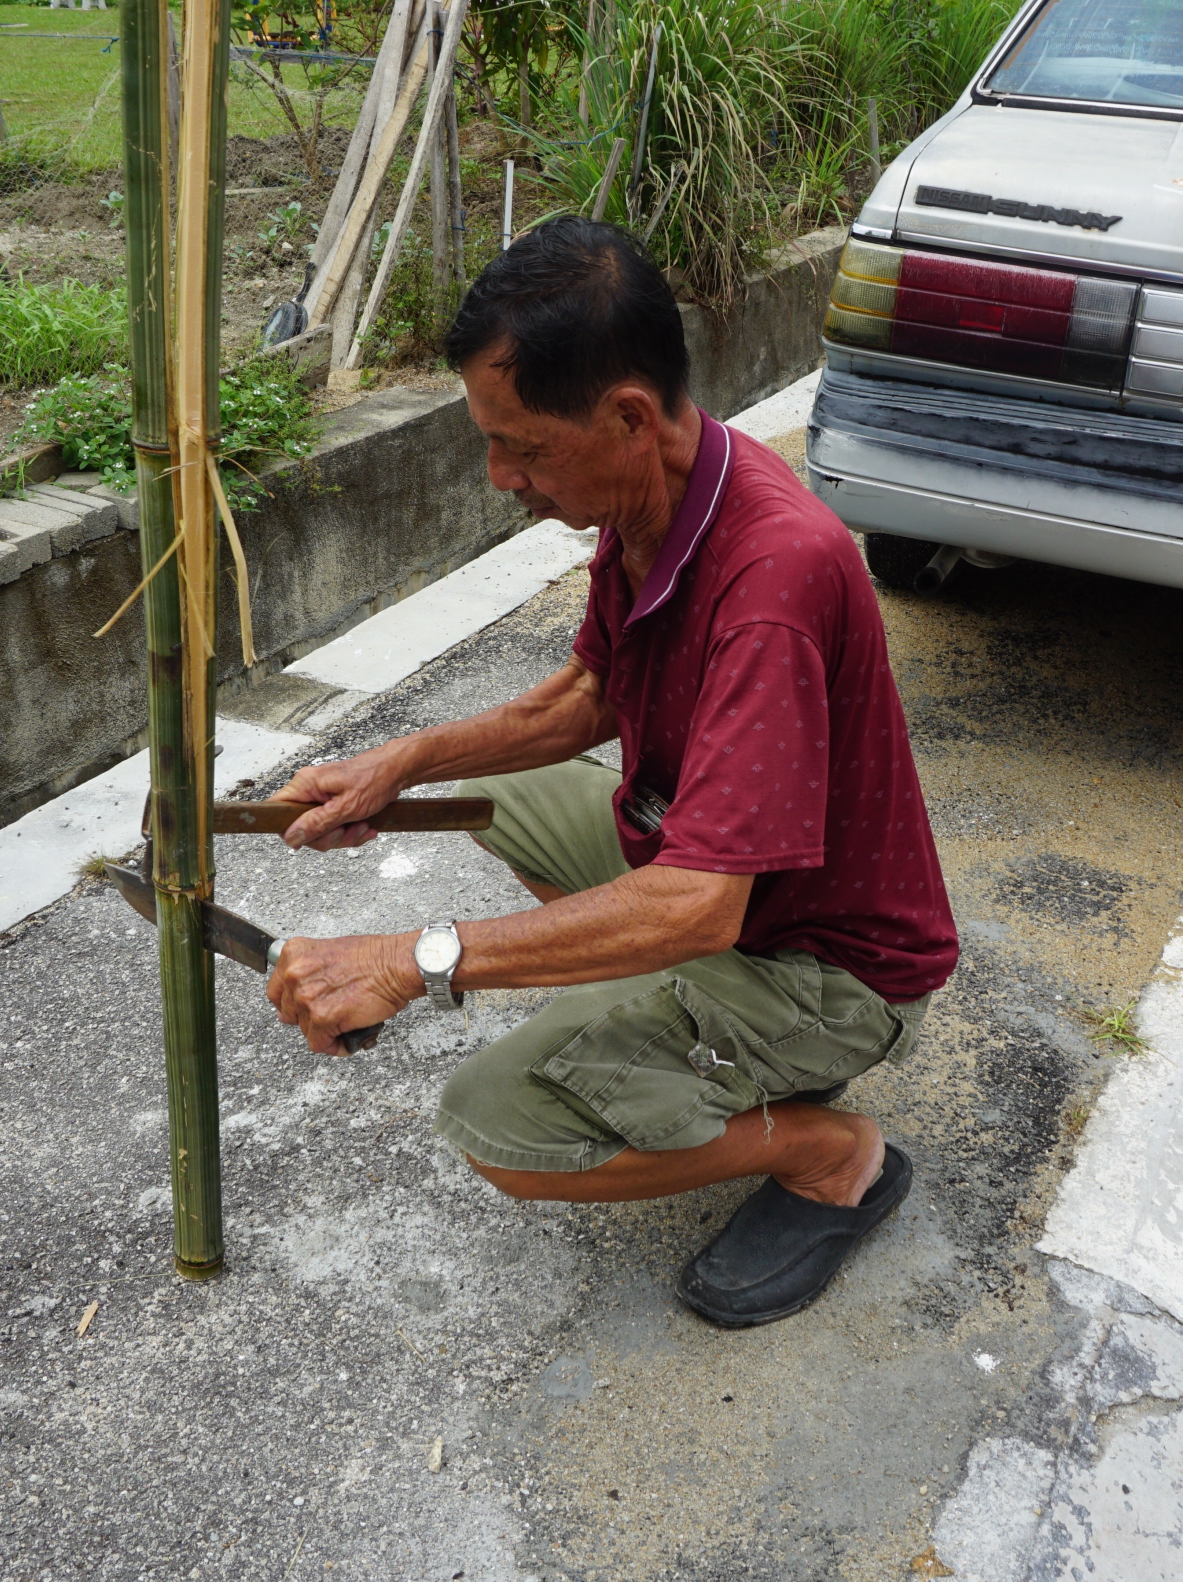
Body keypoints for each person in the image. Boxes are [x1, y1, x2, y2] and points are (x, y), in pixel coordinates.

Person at [265, 217, 957, 1327]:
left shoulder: (772, 578)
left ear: (628, 415)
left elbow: (694, 901)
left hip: (835, 967)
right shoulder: (663, 495)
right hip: (744, 906)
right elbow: (589, 696)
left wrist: (411, 958)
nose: (502, 477)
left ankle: (832, 1153)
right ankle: (697, 1044)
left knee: (503, 1124)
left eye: (524, 448)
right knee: (502, 804)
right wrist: (400, 765)